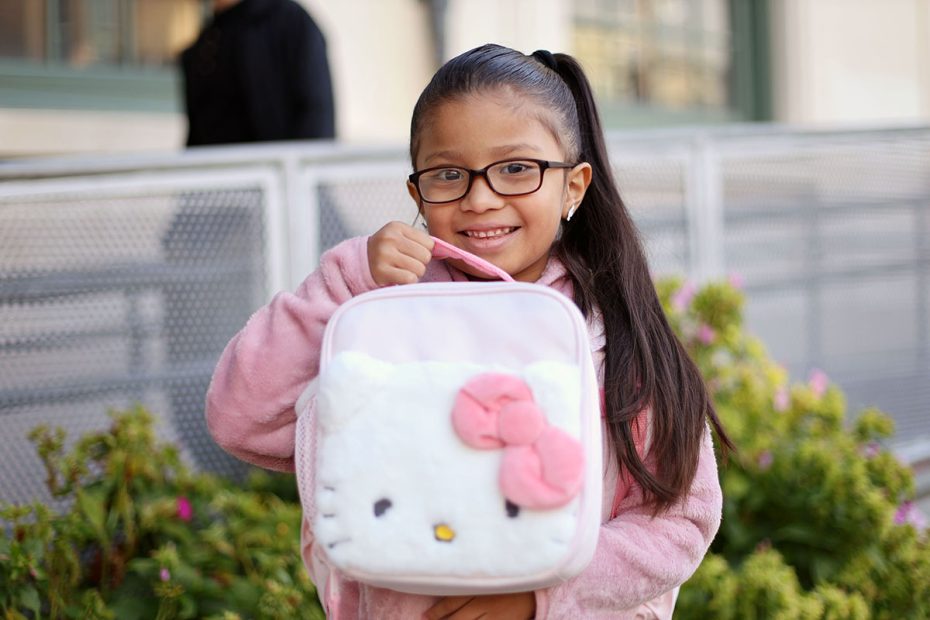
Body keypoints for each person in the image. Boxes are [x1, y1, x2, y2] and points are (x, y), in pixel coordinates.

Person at [205, 43, 731, 619]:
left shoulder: (617, 338)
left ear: (573, 188)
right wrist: (348, 278)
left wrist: (540, 595)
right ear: (417, 193)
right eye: (448, 174)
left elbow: (681, 519)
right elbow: (240, 417)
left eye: (515, 169)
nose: (480, 198)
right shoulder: (382, 312)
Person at [180, 0, 335, 145]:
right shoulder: (205, 44)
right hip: (217, 171)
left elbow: (316, 122)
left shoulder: (290, 23)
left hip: (276, 170)